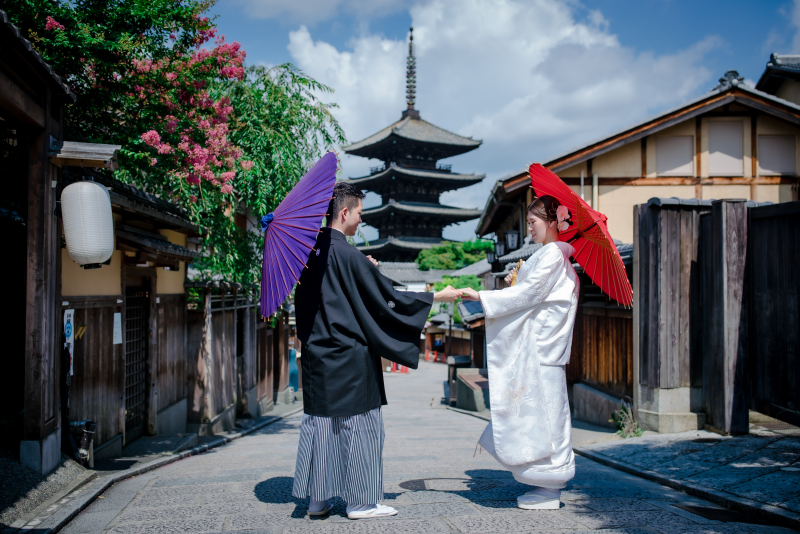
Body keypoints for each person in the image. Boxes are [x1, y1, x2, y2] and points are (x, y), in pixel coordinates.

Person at [292, 182, 461, 519]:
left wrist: (364, 268)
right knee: (361, 427)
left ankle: (317, 500)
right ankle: (360, 502)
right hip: (350, 356)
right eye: (359, 213)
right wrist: (437, 297)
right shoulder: (349, 255)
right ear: (344, 212)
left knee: (321, 425)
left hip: (317, 355)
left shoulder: (306, 255)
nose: (360, 221)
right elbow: (387, 297)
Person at [460, 194, 579, 510]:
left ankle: (549, 484)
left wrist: (481, 295)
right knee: (540, 415)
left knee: (546, 418)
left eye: (533, 222)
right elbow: (529, 294)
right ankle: (544, 481)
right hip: (540, 348)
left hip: (541, 348)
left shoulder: (553, 255)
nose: (529, 230)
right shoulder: (548, 256)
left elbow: (529, 295)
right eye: (527, 223)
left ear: (552, 222)